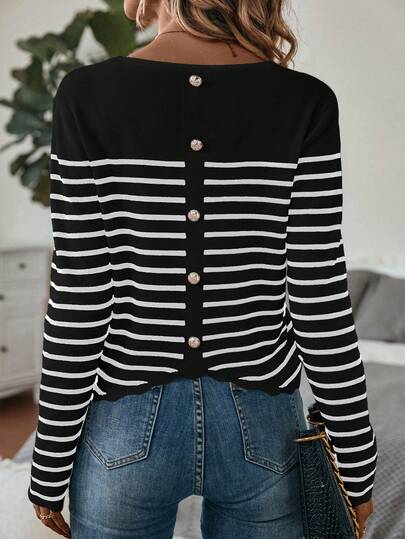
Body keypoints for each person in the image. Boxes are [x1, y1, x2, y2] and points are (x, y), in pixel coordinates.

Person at [28, 0, 377, 537]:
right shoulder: (305, 100)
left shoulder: (85, 94)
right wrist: (357, 463)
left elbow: (79, 291)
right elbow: (319, 294)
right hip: (263, 425)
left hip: (126, 424)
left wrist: (49, 464)